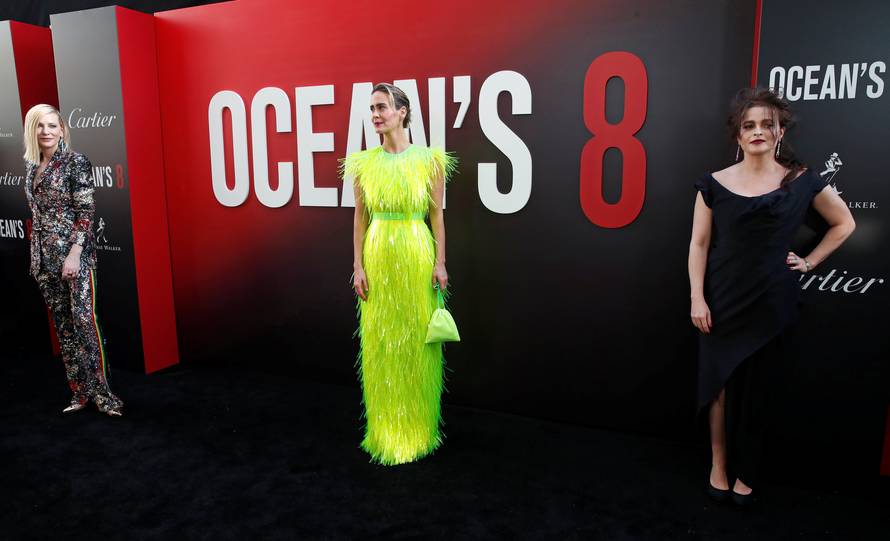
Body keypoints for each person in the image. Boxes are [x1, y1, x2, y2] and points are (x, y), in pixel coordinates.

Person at [688, 89, 854, 505]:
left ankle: (749, 469)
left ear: (780, 132)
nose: (758, 131)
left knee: (760, 387)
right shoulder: (713, 183)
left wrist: (811, 260)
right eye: (749, 125)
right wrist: (697, 297)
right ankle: (719, 464)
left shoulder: (801, 180)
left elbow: (843, 223)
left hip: (772, 300)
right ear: (738, 136)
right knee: (720, 386)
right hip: (722, 298)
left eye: (767, 124)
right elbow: (699, 244)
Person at [343, 83, 456, 465]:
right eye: (372, 109)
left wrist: (440, 262)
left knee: (417, 342)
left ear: (403, 111)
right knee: (380, 344)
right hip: (378, 258)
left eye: (382, 107)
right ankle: (385, 430)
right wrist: (358, 265)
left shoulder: (430, 161)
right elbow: (359, 216)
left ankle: (419, 430)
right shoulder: (363, 163)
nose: (375, 115)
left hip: (415, 254)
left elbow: (437, 215)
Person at [23, 104, 123, 417]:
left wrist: (75, 254)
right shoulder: (32, 165)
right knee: (64, 328)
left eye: (52, 126)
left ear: (62, 129)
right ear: (32, 131)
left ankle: (104, 396)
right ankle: (79, 392)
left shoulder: (75, 162)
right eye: (40, 126)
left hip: (75, 259)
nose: (46, 132)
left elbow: (86, 212)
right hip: (44, 260)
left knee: (84, 324)